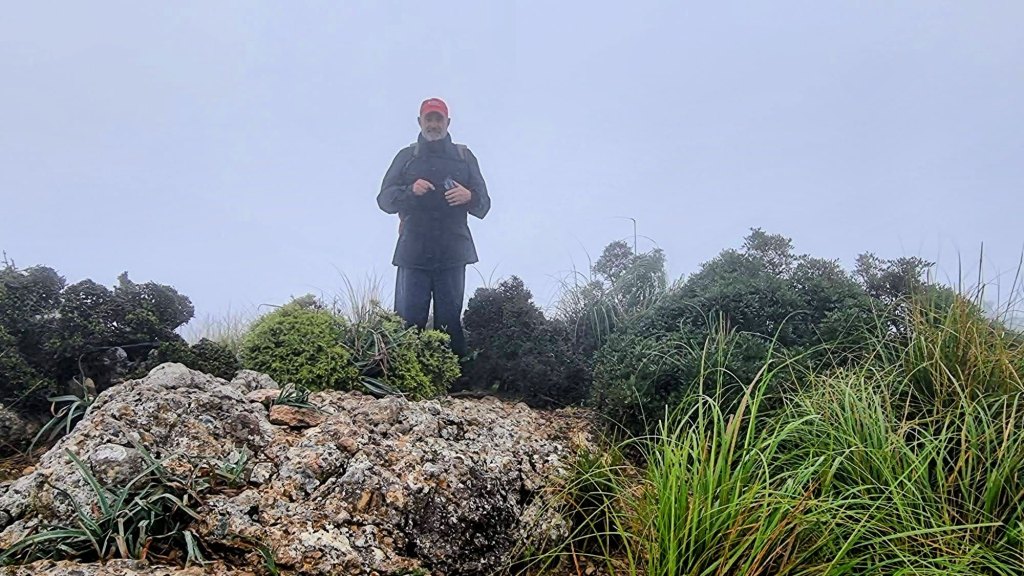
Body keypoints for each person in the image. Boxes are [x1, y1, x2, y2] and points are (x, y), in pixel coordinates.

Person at [377, 98, 491, 357]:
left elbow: (484, 205)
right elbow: (384, 199)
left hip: (453, 253)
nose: (433, 124)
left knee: (450, 323)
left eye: (438, 119)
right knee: (406, 322)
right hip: (413, 253)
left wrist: (469, 196)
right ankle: (402, 378)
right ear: (420, 122)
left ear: (447, 123)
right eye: (429, 118)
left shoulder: (464, 156)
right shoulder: (406, 157)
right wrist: (409, 190)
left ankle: (454, 385)